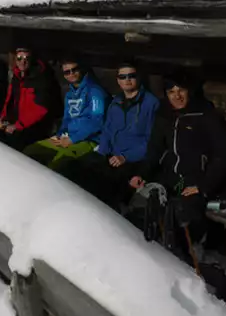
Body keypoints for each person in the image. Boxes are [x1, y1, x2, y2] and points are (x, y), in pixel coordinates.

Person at [130, 70, 226, 247]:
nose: (177, 96)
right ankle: (145, 252)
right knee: (142, 204)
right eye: (171, 92)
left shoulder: (206, 116)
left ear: (190, 91)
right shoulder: (164, 115)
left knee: (185, 215)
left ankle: (186, 258)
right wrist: (141, 174)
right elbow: (155, 148)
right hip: (170, 176)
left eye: (181, 90)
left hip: (196, 179)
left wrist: (203, 186)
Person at [61, 62, 159, 209]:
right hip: (110, 155)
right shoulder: (116, 102)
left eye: (131, 76)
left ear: (138, 78)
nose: (127, 80)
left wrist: (126, 156)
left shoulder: (151, 103)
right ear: (118, 80)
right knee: (72, 167)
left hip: (132, 159)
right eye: (123, 76)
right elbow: (107, 130)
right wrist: (102, 152)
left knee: (107, 187)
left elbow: (152, 140)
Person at [23, 58, 108, 173]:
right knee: (31, 151)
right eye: (67, 72)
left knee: (58, 164)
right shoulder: (69, 94)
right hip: (68, 137)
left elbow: (97, 122)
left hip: (88, 140)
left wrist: (72, 139)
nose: (71, 74)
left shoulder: (95, 91)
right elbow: (67, 119)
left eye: (74, 70)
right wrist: (59, 135)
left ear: (81, 69)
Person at [0, 47, 60, 150]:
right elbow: (10, 99)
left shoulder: (40, 78)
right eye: (19, 58)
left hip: (33, 128)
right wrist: (3, 117)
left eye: (26, 58)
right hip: (18, 124)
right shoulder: (17, 76)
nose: (23, 61)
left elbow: (40, 109)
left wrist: (18, 125)